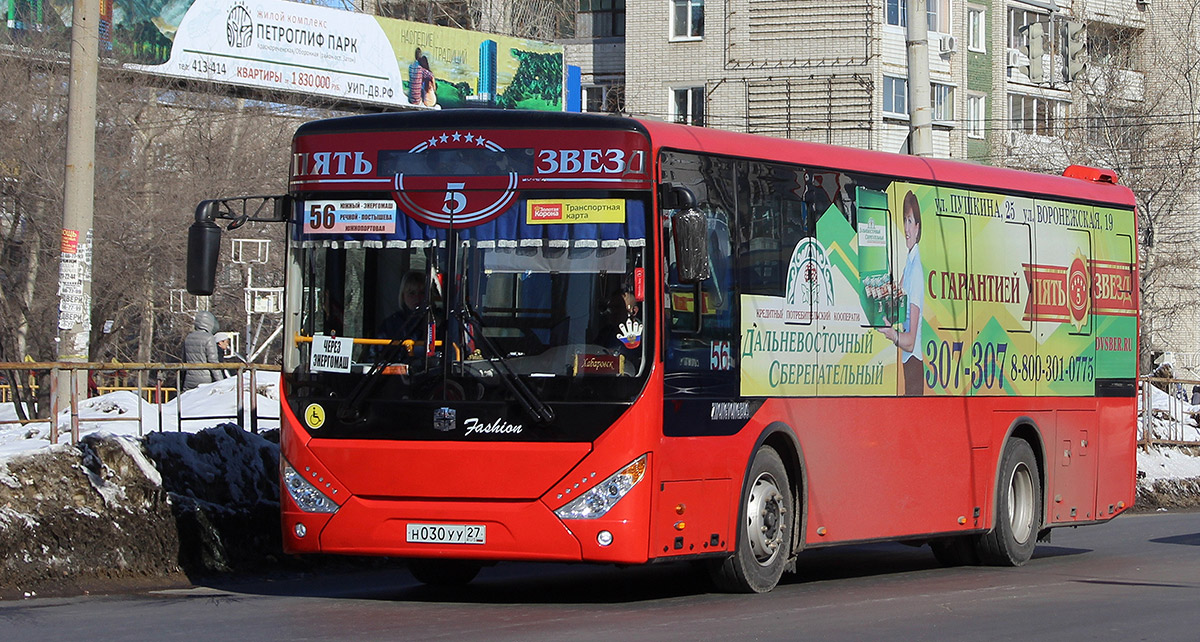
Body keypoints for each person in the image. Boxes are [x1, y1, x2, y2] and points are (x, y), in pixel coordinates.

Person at [879, 190, 924, 396]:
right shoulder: (909, 263)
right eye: (904, 220)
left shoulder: (915, 271)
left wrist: (892, 334)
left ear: (917, 227)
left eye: (910, 221)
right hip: (909, 365)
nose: (906, 228)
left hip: (914, 367)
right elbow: (895, 300)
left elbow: (911, 341)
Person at [379, 271, 429, 346]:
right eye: (411, 293)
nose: (417, 298)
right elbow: (376, 353)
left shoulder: (436, 322)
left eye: (422, 293)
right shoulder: (391, 324)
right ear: (403, 296)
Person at [182, 310, 227, 391]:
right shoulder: (209, 338)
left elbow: (184, 360)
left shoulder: (188, 337)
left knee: (189, 402)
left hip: (189, 379)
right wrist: (221, 382)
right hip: (205, 379)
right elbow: (213, 362)